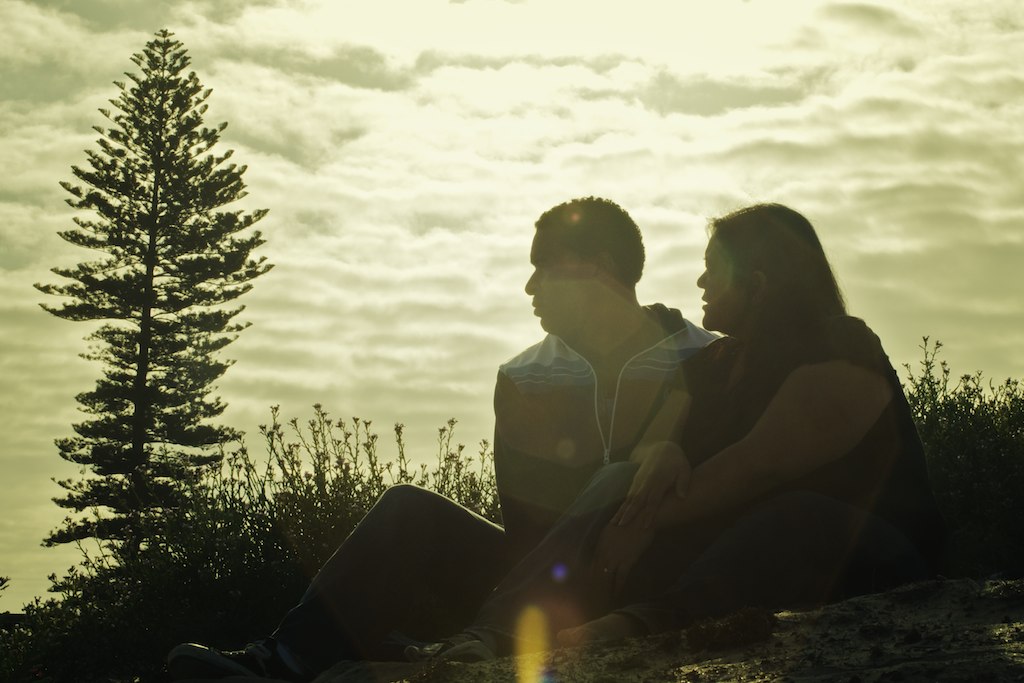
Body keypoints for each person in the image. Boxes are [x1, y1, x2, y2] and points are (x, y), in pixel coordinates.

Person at [166, 197, 715, 681]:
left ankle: (454, 640)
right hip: (535, 581)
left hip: (648, 569)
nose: (528, 287)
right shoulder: (524, 375)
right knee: (408, 508)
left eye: (542, 268)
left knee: (618, 479)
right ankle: (285, 660)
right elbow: (526, 525)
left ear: (598, 269)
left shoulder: (706, 355)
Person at [411, 203, 947, 660]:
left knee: (799, 513)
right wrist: (662, 452)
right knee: (620, 475)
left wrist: (643, 520)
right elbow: (654, 453)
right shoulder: (711, 364)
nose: (700, 283)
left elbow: (760, 465)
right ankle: (498, 630)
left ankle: (644, 622)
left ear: (757, 285)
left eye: (714, 269)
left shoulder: (842, 346)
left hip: (867, 555)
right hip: (746, 559)